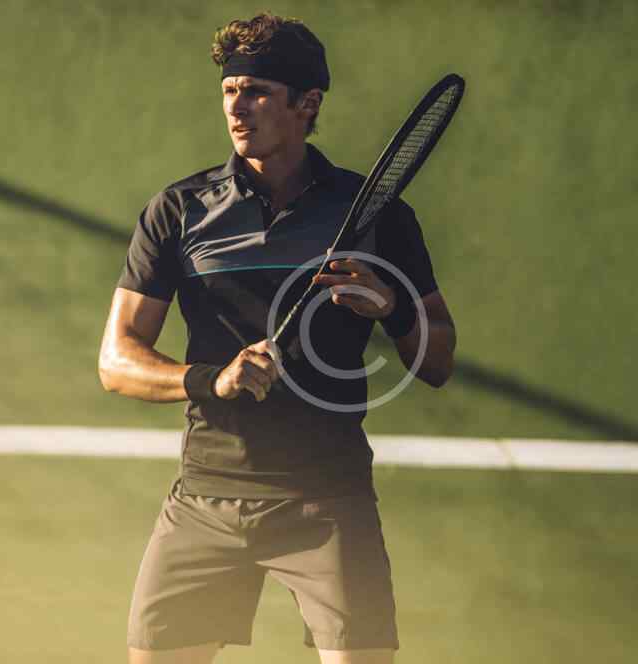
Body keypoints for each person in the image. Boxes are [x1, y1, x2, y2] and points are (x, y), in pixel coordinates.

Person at [98, 12, 456, 664]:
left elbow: (437, 359)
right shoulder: (178, 211)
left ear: (307, 103)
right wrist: (213, 379)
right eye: (230, 90)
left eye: (258, 91)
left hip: (329, 501)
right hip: (205, 499)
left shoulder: (377, 216)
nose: (237, 107)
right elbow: (116, 360)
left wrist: (394, 308)